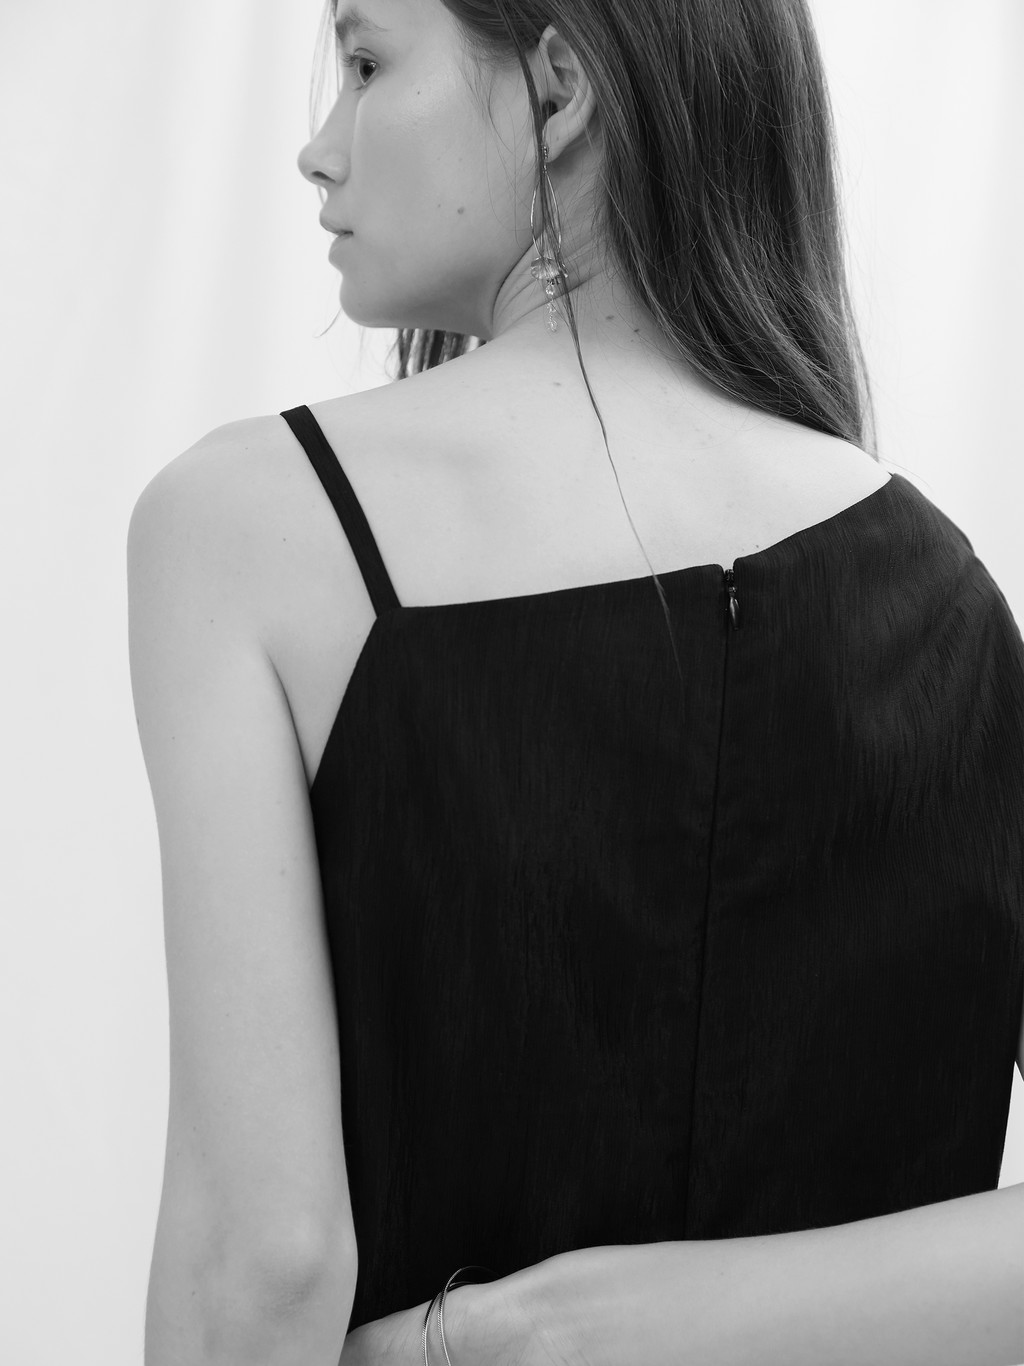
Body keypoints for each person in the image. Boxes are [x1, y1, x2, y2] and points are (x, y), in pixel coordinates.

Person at [129, 1, 1024, 1363]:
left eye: (367, 63)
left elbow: (262, 1263)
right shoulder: (948, 593)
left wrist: (518, 1334)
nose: (320, 147)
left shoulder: (251, 522)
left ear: (560, 91)